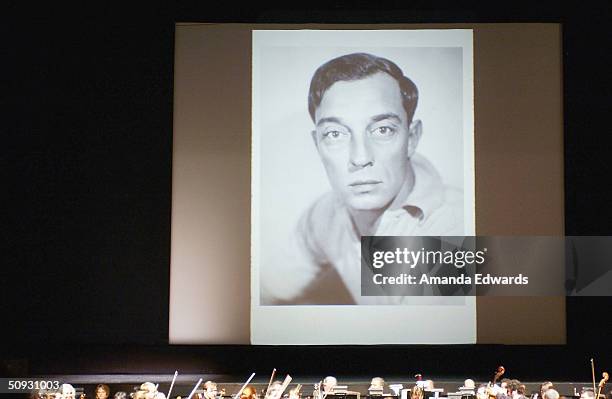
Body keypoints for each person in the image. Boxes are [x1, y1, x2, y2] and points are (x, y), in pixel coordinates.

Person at [261, 52, 464, 305]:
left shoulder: (455, 230)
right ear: (317, 144)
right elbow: (268, 293)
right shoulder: (324, 213)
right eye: (334, 134)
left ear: (412, 139)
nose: (359, 158)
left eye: (383, 130)